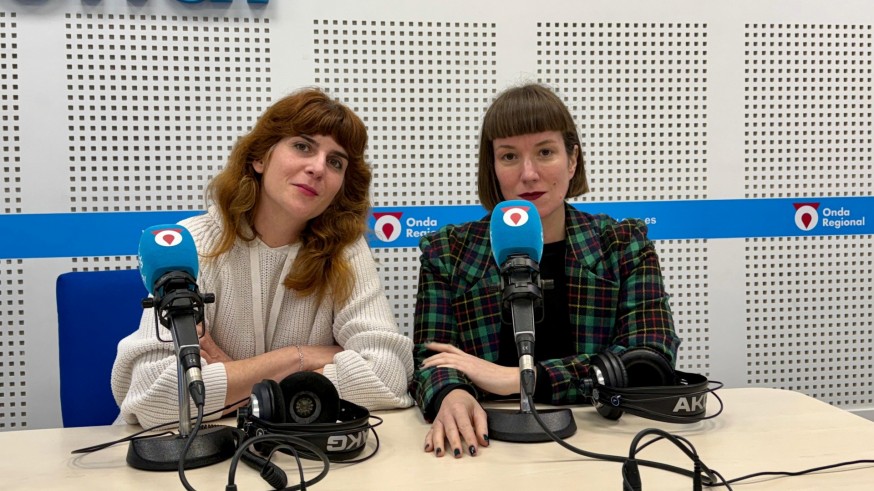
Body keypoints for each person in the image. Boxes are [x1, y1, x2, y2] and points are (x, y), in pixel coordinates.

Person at [112, 87, 415, 428]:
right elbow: (153, 397)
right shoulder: (194, 243)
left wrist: (234, 374)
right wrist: (301, 358)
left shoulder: (345, 251)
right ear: (259, 157)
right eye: (303, 146)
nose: (318, 168)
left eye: (335, 161)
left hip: (288, 451)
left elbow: (388, 376)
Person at [410, 83, 680, 458]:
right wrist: (450, 393)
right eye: (508, 157)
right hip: (488, 446)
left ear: (573, 160)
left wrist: (523, 378)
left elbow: (648, 357)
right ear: (493, 168)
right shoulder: (448, 252)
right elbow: (431, 358)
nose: (529, 173)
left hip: (604, 442)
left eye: (546, 152)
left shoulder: (623, 244)